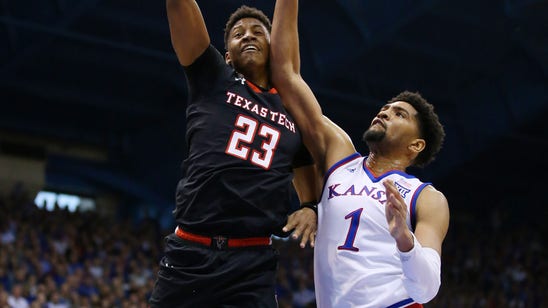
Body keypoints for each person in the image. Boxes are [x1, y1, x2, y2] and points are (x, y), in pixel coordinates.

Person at [271, 0, 450, 307]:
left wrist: (404, 240)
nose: (385, 111)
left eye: (399, 114)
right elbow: (287, 79)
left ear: (416, 146)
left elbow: (427, 288)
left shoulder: (426, 198)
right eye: (386, 107)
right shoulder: (340, 157)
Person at [149, 1, 318, 307]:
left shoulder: (291, 105)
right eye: (239, 34)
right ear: (227, 55)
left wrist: (309, 204)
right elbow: (178, 7)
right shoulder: (212, 76)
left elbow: (303, 158)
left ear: (273, 46)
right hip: (191, 252)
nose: (249, 36)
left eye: (258, 32)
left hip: (252, 263)